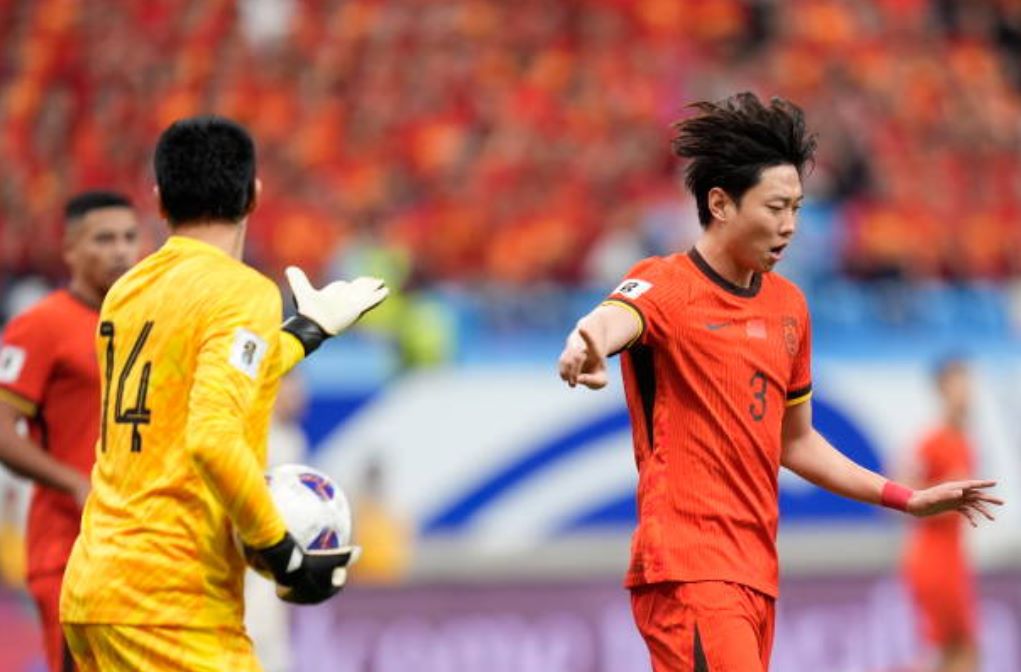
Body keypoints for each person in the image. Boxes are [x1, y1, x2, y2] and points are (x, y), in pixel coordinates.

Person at [557, 92, 1002, 672]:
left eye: (796, 207)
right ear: (720, 203)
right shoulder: (665, 284)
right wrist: (584, 346)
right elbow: (610, 320)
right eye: (775, 207)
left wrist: (906, 497)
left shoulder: (789, 307)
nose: (790, 226)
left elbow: (796, 441)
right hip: (690, 568)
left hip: (756, 572)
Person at [59, 116, 388, 671]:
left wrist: (306, 332)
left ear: (159, 201)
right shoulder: (241, 293)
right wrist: (282, 553)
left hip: (96, 590)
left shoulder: (127, 290)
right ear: (253, 195)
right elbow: (211, 436)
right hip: (172, 604)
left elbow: (194, 383)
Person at [0, 191, 139, 672]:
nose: (121, 251)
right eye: (104, 239)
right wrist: (76, 483)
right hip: (69, 550)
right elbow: (2, 430)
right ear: (71, 249)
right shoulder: (40, 325)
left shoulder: (146, 325)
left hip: (139, 550)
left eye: (129, 237)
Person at [902, 358, 980, 672]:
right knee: (956, 650)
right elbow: (904, 488)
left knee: (958, 651)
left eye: (968, 383)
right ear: (942, 389)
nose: (966, 392)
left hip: (954, 558)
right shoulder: (932, 441)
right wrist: (942, 493)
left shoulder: (965, 441)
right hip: (933, 559)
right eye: (958, 384)